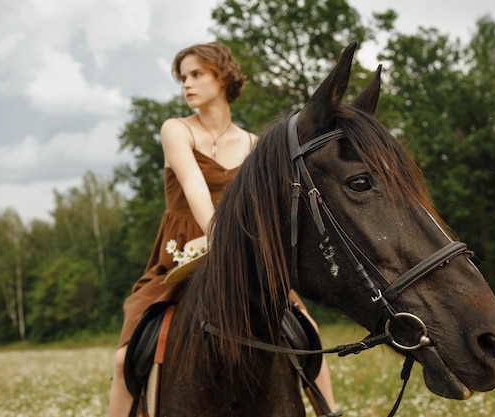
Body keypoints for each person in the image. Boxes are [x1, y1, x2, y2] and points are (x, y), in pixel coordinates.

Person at [108, 42, 335, 417]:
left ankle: (328, 411)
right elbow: (196, 188)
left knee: (308, 335)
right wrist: (219, 240)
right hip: (180, 254)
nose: (187, 85)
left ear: (223, 76)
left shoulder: (255, 145)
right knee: (122, 360)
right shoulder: (176, 130)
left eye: (197, 74)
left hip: (247, 259)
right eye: (183, 77)